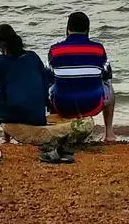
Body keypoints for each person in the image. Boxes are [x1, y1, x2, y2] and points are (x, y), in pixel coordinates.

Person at [0, 24, 71, 161]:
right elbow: (46, 81)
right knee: (10, 93)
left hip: (13, 113)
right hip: (37, 116)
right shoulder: (33, 57)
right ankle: (6, 139)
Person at [46, 10, 117, 143]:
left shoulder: (55, 50)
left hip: (62, 106)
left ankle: (57, 129)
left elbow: (48, 78)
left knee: (52, 84)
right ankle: (109, 133)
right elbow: (107, 76)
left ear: (67, 29)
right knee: (109, 86)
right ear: (88, 30)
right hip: (92, 104)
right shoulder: (98, 49)